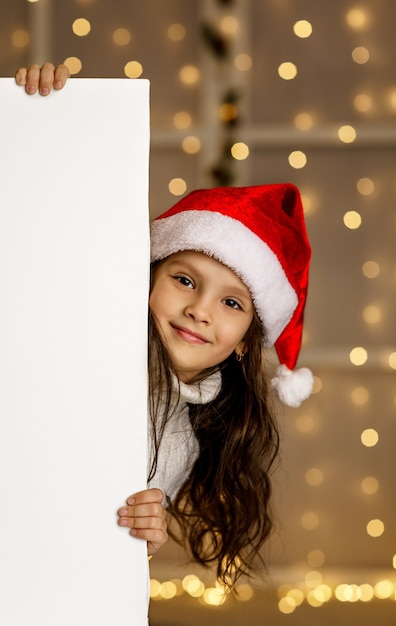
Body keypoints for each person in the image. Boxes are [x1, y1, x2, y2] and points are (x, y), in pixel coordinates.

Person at [15, 64, 313, 586]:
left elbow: (96, 534)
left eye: (232, 304)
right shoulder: (78, 328)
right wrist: (45, 113)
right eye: (185, 280)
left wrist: (140, 537)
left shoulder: (180, 440)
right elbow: (43, 221)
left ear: (245, 345)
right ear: (149, 279)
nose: (201, 310)